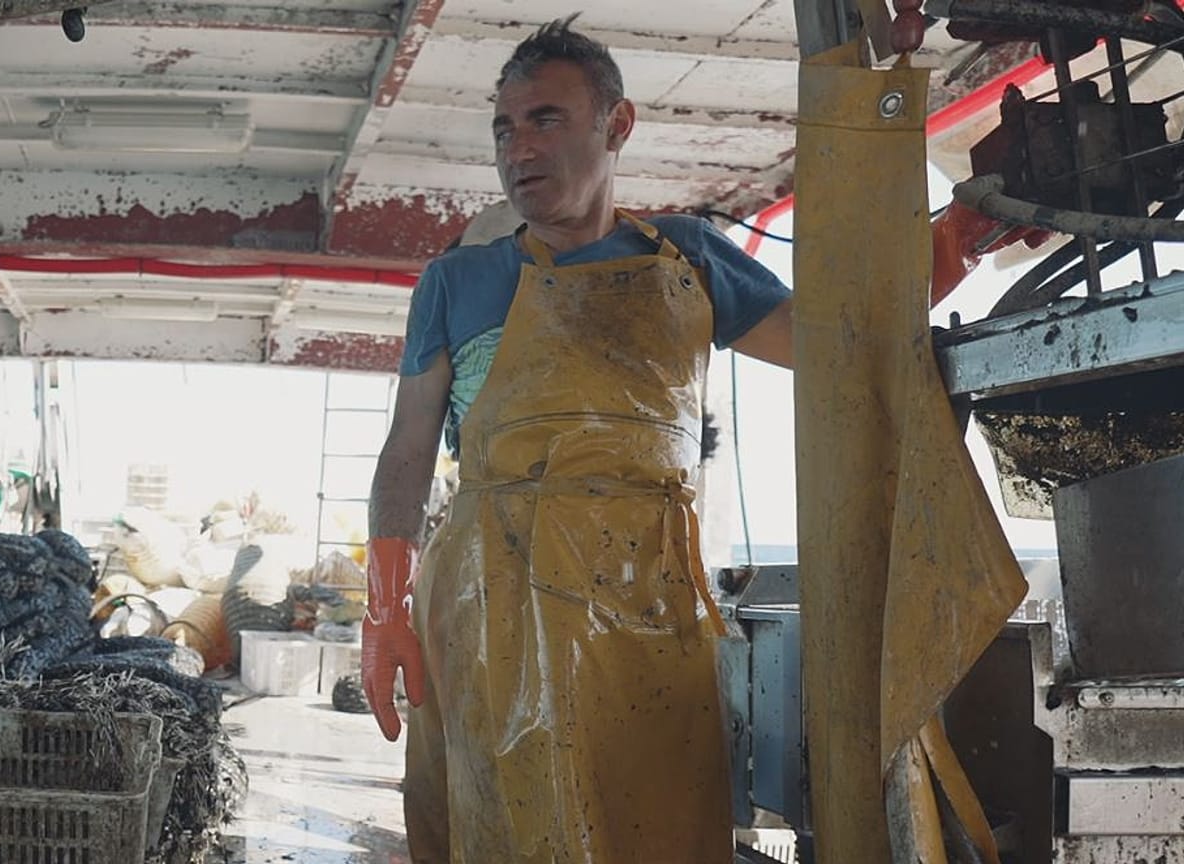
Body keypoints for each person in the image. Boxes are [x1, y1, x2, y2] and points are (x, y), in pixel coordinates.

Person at [360, 15, 1023, 863]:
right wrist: (385, 603)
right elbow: (408, 449)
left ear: (617, 125)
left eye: (546, 119)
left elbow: (842, 345)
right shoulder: (456, 282)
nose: (517, 148)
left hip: (651, 600)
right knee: (509, 830)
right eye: (504, 127)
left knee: (658, 827)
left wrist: (956, 239)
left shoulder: (692, 255)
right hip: (491, 603)